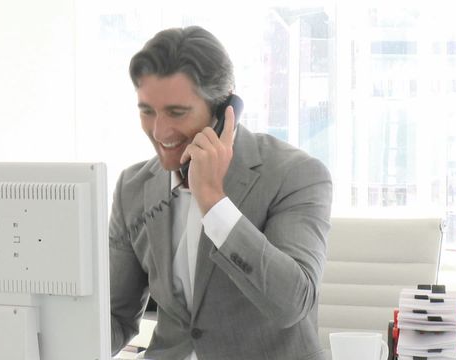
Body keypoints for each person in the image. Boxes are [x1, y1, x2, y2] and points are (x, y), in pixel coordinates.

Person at [109, 25, 332, 360]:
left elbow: (292, 303)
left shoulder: (295, 175)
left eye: (176, 112)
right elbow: (115, 316)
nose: (159, 131)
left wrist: (213, 201)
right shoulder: (134, 187)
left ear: (224, 110)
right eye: (147, 111)